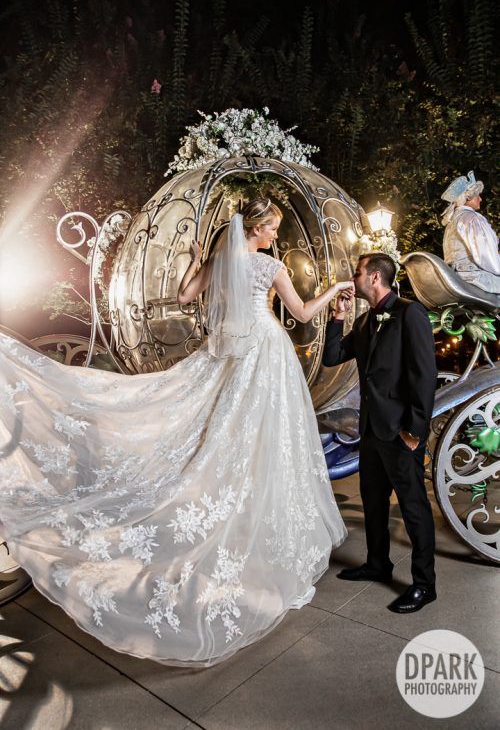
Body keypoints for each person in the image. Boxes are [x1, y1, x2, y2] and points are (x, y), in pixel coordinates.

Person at [0, 198, 354, 667]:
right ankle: (252, 513)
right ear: (257, 229)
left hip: (230, 352)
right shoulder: (268, 266)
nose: (275, 236)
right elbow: (304, 314)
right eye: (272, 229)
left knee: (227, 432)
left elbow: (187, 297)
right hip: (264, 352)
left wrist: (191, 258)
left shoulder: (218, 259)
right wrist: (336, 291)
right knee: (263, 436)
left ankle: (238, 505)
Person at [323, 252, 438, 614]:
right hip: (371, 431)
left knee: (414, 507)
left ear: (374, 277)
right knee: (373, 501)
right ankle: (378, 563)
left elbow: (424, 376)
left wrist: (415, 432)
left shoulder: (410, 313)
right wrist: (337, 318)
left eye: (357, 273)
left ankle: (424, 584)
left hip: (401, 431)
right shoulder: (365, 320)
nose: (352, 279)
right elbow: (332, 356)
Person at [441, 170, 500, 294]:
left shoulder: (452, 222)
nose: (481, 199)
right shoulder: (472, 219)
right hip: (475, 279)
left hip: (454, 279)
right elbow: (486, 256)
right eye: (477, 195)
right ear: (468, 197)